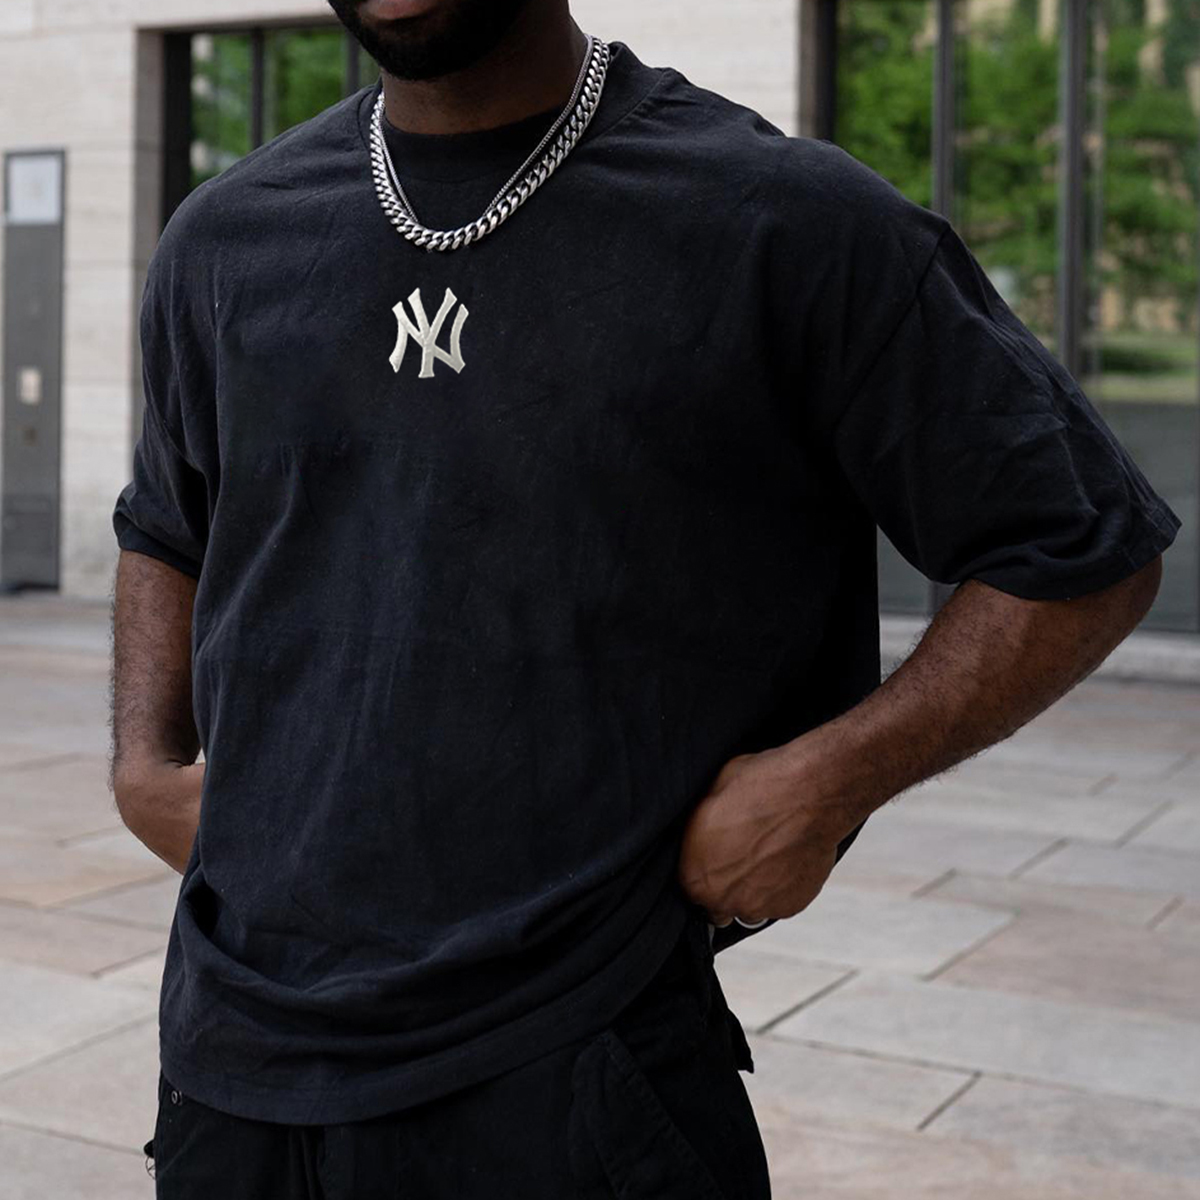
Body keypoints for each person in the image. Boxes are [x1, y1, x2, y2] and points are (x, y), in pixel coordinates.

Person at [108, 0, 1181, 1195]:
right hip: (233, 1067)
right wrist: (143, 763)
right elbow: (166, 523)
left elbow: (1080, 547)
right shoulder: (225, 238)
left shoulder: (784, 221)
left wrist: (830, 779)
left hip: (580, 1061)